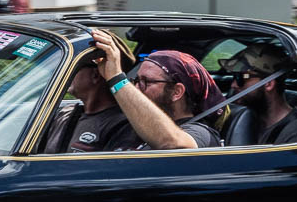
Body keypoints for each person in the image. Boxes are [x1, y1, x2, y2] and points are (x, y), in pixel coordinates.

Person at [85, 30, 222, 150]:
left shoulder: (202, 134)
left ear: (176, 92)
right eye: (137, 81)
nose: (137, 89)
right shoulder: (129, 127)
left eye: (147, 82)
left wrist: (116, 78)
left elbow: (172, 144)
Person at [223, 44, 297, 145]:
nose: (234, 85)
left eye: (241, 77)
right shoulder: (250, 122)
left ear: (268, 84)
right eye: (234, 77)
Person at [58, 36, 136, 152]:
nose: (67, 73)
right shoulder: (64, 114)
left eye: (74, 67)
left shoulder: (121, 126)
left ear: (96, 74)